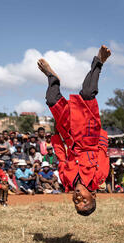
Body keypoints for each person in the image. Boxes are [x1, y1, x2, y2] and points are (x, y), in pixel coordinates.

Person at [37, 45, 111, 216]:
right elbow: (102, 150)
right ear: (93, 195)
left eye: (76, 203)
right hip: (89, 134)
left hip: (69, 136)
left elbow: (61, 157)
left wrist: (56, 136)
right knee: (87, 94)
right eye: (84, 200)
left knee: (51, 100)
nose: (78, 198)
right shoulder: (99, 175)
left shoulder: (66, 179)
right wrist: (98, 130)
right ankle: (99, 62)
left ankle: (52, 77)